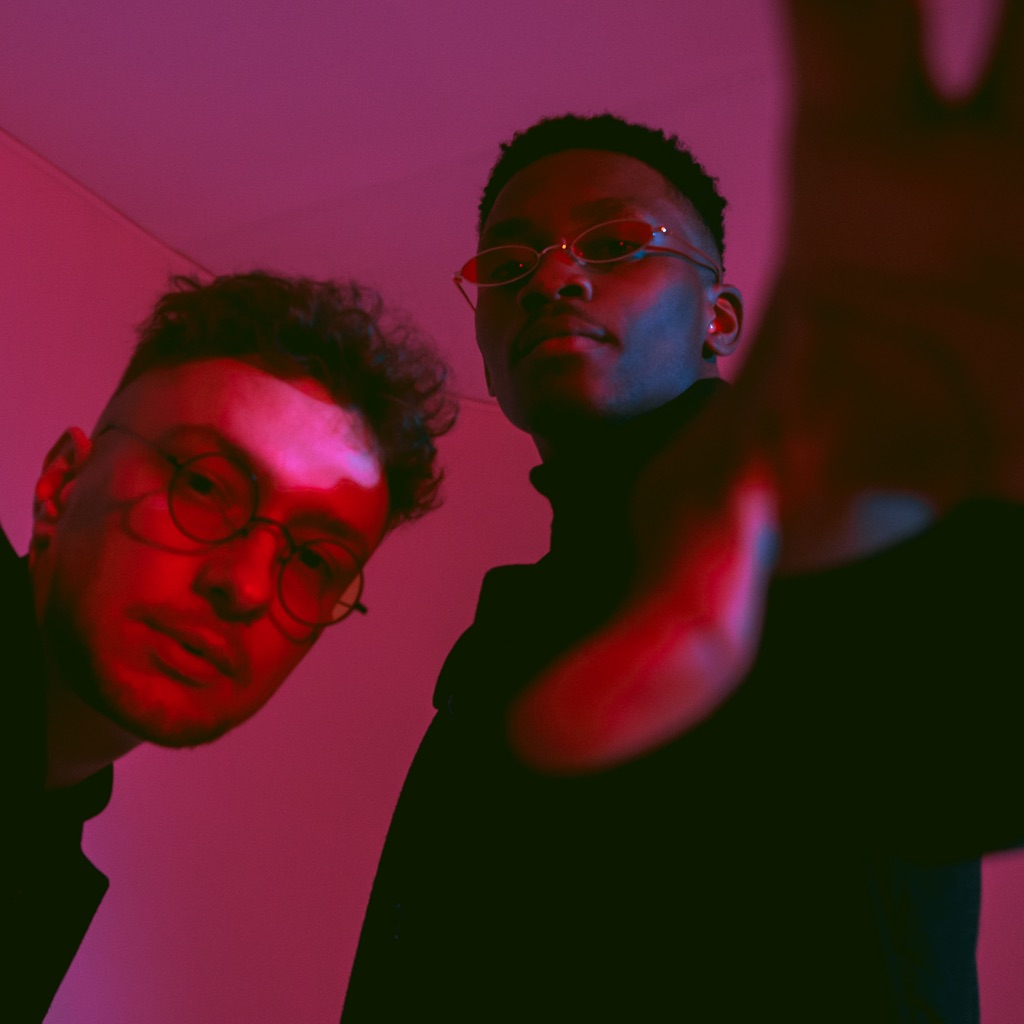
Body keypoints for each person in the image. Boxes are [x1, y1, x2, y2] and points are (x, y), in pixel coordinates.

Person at [342, 6, 1023, 1021]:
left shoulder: (839, 540)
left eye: (616, 242)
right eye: (508, 264)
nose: (554, 277)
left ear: (719, 316)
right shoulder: (501, 646)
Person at [3, 270, 456, 1022]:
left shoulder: (43, 847)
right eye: (205, 487)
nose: (245, 586)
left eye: (313, 562)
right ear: (60, 484)